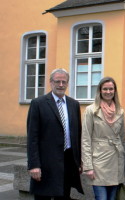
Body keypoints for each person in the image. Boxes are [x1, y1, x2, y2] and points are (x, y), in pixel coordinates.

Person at [27, 68, 84, 200]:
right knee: (43, 197)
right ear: (50, 82)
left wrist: (79, 161)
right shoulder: (38, 104)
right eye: (57, 81)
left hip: (68, 161)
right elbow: (32, 137)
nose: (61, 85)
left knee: (64, 196)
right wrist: (34, 165)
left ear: (67, 84)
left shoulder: (74, 104)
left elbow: (77, 134)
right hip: (46, 162)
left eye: (64, 82)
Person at [81, 77, 125, 200]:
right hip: (98, 162)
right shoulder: (91, 110)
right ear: (100, 91)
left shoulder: (120, 111)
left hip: (116, 161)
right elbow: (85, 139)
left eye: (111, 89)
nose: (108, 92)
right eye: (105, 89)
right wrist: (88, 167)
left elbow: (122, 139)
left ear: (115, 91)